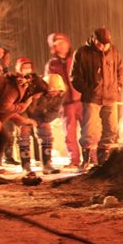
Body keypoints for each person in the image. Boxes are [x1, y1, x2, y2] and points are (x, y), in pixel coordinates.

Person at [70, 27, 123, 171]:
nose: (103, 47)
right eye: (100, 44)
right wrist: (88, 90)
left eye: (106, 44)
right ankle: (85, 160)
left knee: (111, 129)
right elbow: (75, 76)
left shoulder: (113, 51)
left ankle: (103, 160)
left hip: (110, 97)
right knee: (89, 130)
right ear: (93, 39)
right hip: (92, 98)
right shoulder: (82, 53)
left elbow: (120, 70)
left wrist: (118, 86)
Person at [45, 32, 83, 168]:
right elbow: (49, 84)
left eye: (63, 43)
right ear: (53, 47)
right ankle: (74, 160)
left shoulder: (76, 58)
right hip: (65, 103)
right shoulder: (52, 64)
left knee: (89, 131)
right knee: (69, 133)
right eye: (57, 44)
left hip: (81, 99)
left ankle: (92, 158)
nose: (61, 46)